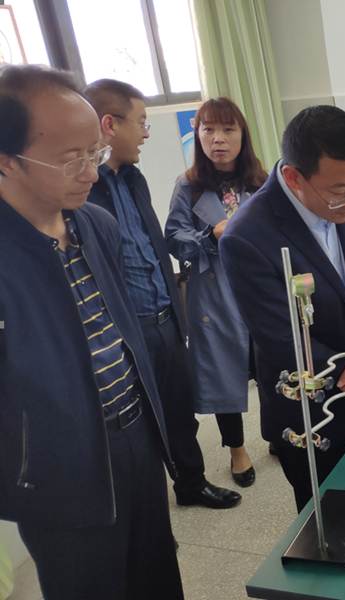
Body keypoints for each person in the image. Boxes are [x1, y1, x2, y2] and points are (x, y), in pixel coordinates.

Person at [0, 64, 183, 599]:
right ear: (6, 161)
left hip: (136, 438)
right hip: (58, 471)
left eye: (94, 154)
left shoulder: (96, 225)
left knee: (156, 576)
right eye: (70, 159)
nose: (91, 173)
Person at [220, 105, 345, 512]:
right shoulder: (247, 236)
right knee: (331, 519)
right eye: (341, 191)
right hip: (310, 410)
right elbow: (281, 337)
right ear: (293, 178)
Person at [83, 79, 241, 509]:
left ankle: (191, 483)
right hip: (126, 327)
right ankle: (146, 508)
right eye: (141, 123)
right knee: (137, 422)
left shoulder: (133, 179)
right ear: (110, 125)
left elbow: (151, 247)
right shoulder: (85, 190)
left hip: (164, 317)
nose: (147, 133)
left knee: (179, 409)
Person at [165, 98, 268, 487]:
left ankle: (278, 433)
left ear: (243, 135)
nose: (218, 139)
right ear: (198, 136)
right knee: (225, 371)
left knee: (271, 364)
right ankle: (237, 449)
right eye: (208, 130)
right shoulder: (188, 185)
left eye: (228, 129)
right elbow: (173, 238)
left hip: (260, 288)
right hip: (214, 291)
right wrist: (210, 236)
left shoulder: (261, 181)